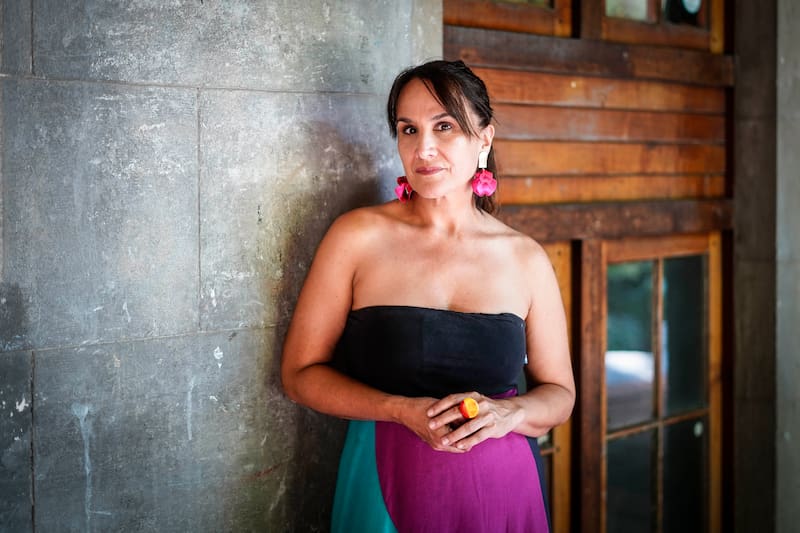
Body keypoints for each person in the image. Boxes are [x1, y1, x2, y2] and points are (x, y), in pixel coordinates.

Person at [281, 59, 574, 533]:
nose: (424, 149)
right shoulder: (356, 237)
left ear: (484, 139)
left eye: (444, 126)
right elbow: (299, 375)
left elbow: (560, 396)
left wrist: (509, 413)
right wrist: (397, 409)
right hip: (383, 483)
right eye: (408, 130)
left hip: (503, 492)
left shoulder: (525, 258)